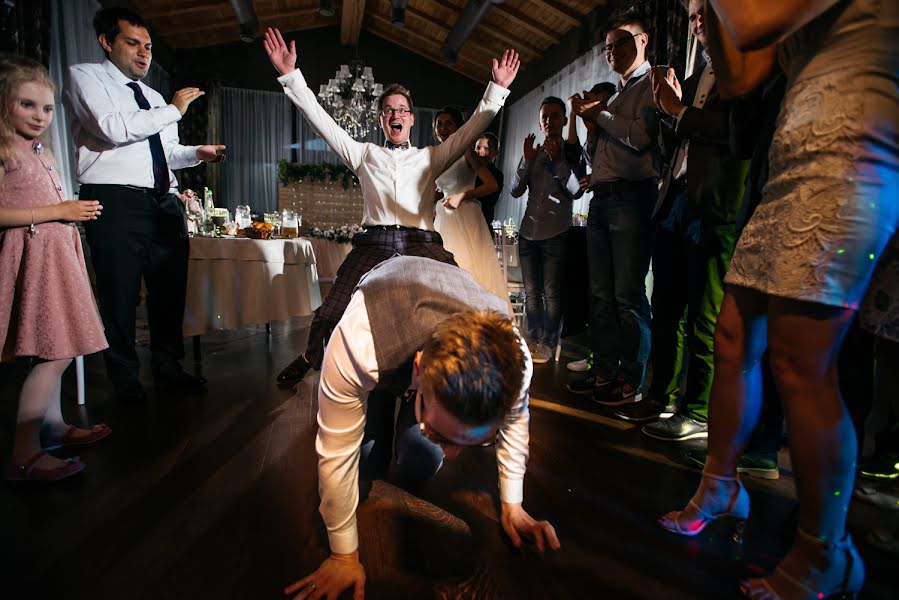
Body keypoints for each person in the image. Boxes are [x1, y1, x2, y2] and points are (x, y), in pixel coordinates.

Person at [659, 1, 898, 598]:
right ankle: (721, 487)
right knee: (734, 334)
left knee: (801, 362)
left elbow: (755, 21)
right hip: (794, 158)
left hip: (853, 148)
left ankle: (826, 553)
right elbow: (740, 75)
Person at [283, 255, 559, 599]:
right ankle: (383, 398)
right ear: (418, 370)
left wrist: (513, 505)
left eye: (472, 442)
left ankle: (417, 425)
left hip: (423, 333)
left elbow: (517, 424)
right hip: (384, 324)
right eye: (443, 435)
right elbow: (335, 452)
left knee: (421, 463)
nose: (454, 455)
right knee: (365, 463)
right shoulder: (359, 343)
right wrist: (344, 555)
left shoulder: (515, 363)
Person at [265, 26, 520, 386]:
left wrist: (498, 89)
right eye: (388, 110)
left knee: (464, 294)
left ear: (412, 119)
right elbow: (321, 121)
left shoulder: (432, 156)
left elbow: (470, 130)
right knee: (332, 308)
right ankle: (311, 356)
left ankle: (465, 372)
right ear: (381, 119)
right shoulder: (363, 153)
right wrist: (291, 75)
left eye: (402, 109)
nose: (395, 114)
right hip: (376, 242)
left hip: (423, 242)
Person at [63, 7, 224, 402]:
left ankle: (168, 367)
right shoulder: (85, 76)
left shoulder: (153, 96)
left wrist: (196, 153)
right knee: (119, 293)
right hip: (114, 199)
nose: (143, 53)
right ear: (107, 42)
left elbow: (165, 151)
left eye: (148, 46)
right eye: (132, 43)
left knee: (169, 291)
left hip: (163, 201)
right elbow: (113, 128)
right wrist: (172, 110)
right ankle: (125, 381)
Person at [615, 0, 751, 441]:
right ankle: (660, 397)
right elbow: (679, 134)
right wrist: (668, 106)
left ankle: (696, 412)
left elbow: (737, 132)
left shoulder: (745, 69)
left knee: (704, 317)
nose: (697, 21)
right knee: (666, 309)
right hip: (673, 200)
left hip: (712, 205)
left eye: (705, 11)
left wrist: (677, 110)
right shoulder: (695, 78)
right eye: (693, 14)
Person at [0, 55, 110, 481]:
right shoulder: (6, 149)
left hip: (56, 258)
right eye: (27, 105)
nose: (39, 116)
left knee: (55, 346)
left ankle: (53, 426)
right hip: (33, 259)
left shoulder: (38, 149)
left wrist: (69, 215)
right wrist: (58, 210)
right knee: (56, 351)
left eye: (47, 109)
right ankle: (25, 453)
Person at [567, 9, 663, 405]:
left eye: (619, 43)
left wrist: (600, 116)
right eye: (607, 47)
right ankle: (603, 370)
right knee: (601, 295)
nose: (611, 52)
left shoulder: (652, 84)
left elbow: (642, 138)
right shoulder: (618, 92)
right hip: (601, 200)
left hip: (631, 197)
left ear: (642, 42)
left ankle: (632, 379)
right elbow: (595, 157)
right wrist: (592, 127)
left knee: (627, 295)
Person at [508, 97, 584, 364]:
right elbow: (515, 190)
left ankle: (549, 342)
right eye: (545, 117)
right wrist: (527, 161)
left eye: (554, 116)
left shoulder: (573, 151)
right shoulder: (534, 152)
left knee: (551, 292)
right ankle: (532, 339)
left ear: (564, 120)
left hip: (555, 233)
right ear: (540, 123)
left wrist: (559, 161)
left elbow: (577, 190)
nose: (549, 121)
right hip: (528, 232)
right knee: (531, 292)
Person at [432, 107, 510, 308]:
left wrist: (462, 195)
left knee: (467, 265)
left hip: (466, 213)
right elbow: (437, 190)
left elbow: (492, 184)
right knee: (444, 267)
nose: (443, 128)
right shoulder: (437, 156)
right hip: (443, 217)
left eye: (449, 123)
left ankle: (475, 316)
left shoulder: (466, 151)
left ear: (458, 127)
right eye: (439, 123)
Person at [474, 132, 504, 227]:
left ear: (496, 152)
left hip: (481, 225)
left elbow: (485, 202)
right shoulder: (466, 170)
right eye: (478, 148)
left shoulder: (497, 176)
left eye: (486, 149)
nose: (481, 153)